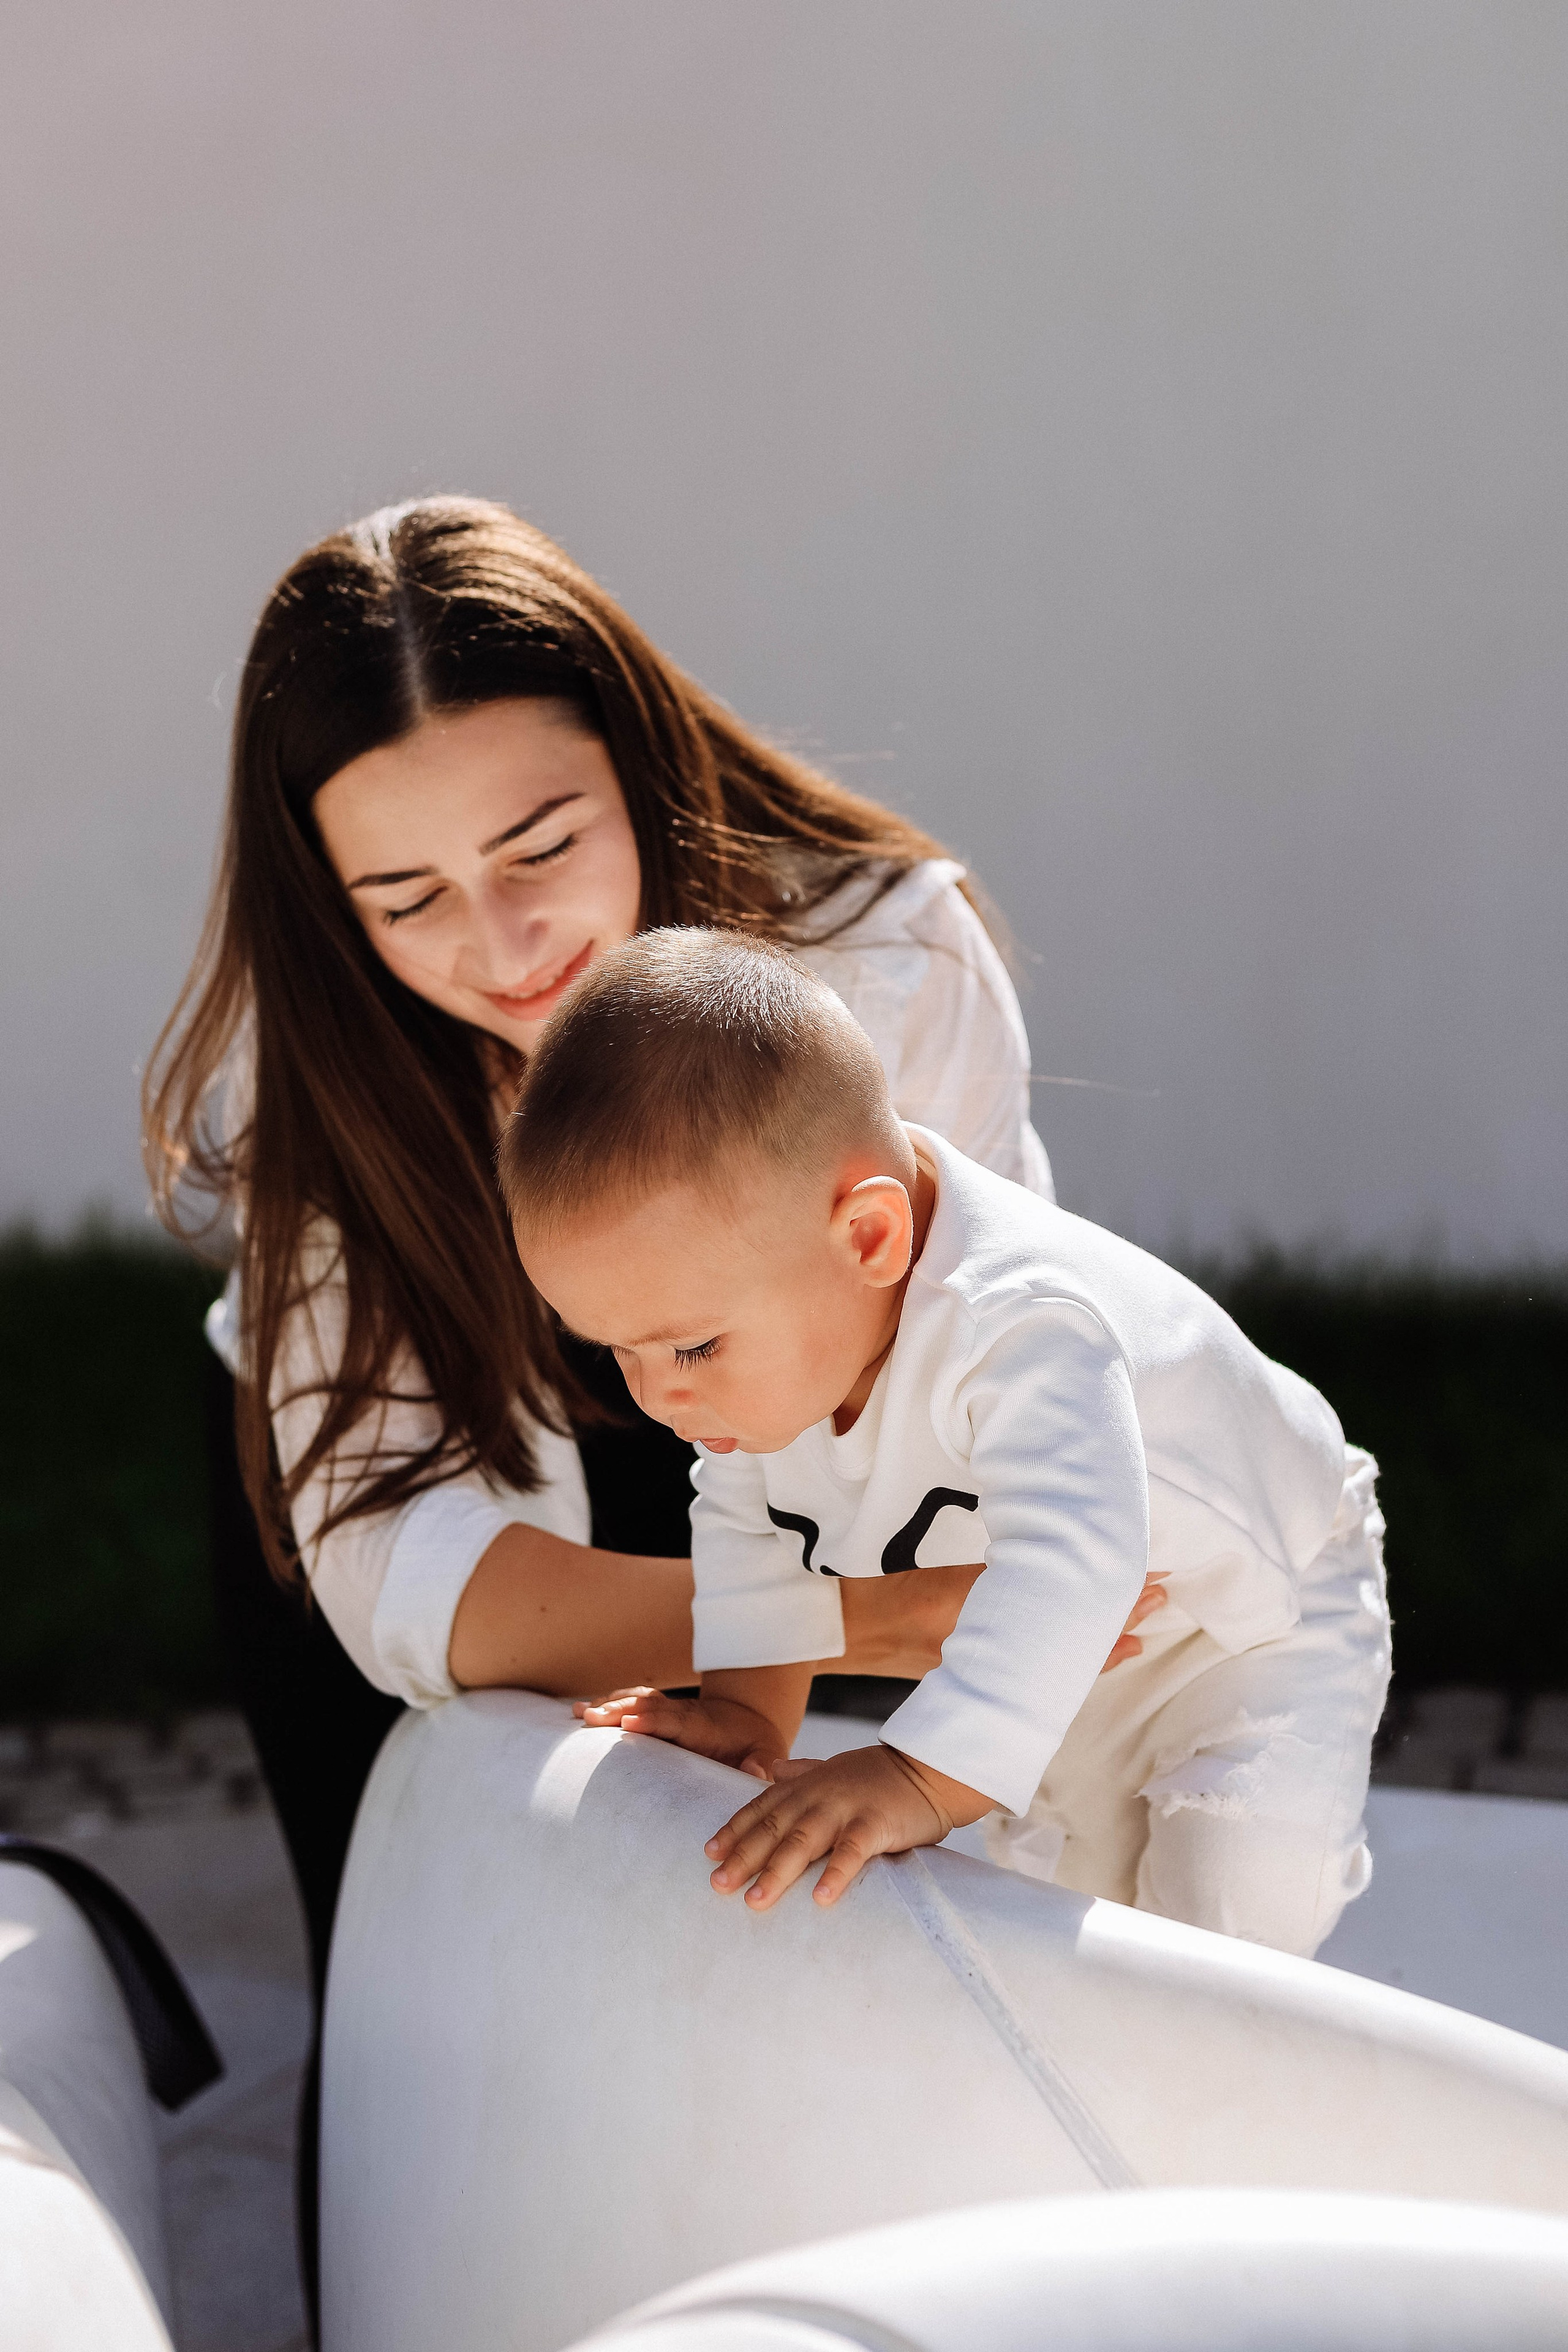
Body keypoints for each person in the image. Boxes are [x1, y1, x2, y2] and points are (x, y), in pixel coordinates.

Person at [143, 497, 1161, 2319]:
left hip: (800, 1476)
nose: (507, 937)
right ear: (332, 905)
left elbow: (984, 1383)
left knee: (832, 1998)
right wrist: (868, 1619)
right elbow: (420, 1583)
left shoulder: (886, 960)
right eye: (406, 899)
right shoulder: (325, 1087)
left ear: (641, 759)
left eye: (543, 842)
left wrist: (897, 1630)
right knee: (413, 2048)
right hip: (418, 1523)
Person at [503, 929, 1393, 1958]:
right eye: (620, 1351)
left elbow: (1077, 1561)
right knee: (1073, 1906)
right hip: (1090, 1646)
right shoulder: (785, 1326)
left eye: (692, 1345)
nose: (659, 1394)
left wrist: (918, 1779)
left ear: (870, 1240)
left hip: (1253, 1612)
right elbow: (750, 1518)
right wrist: (752, 1712)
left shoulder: (1021, 1324)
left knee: (1233, 1901)